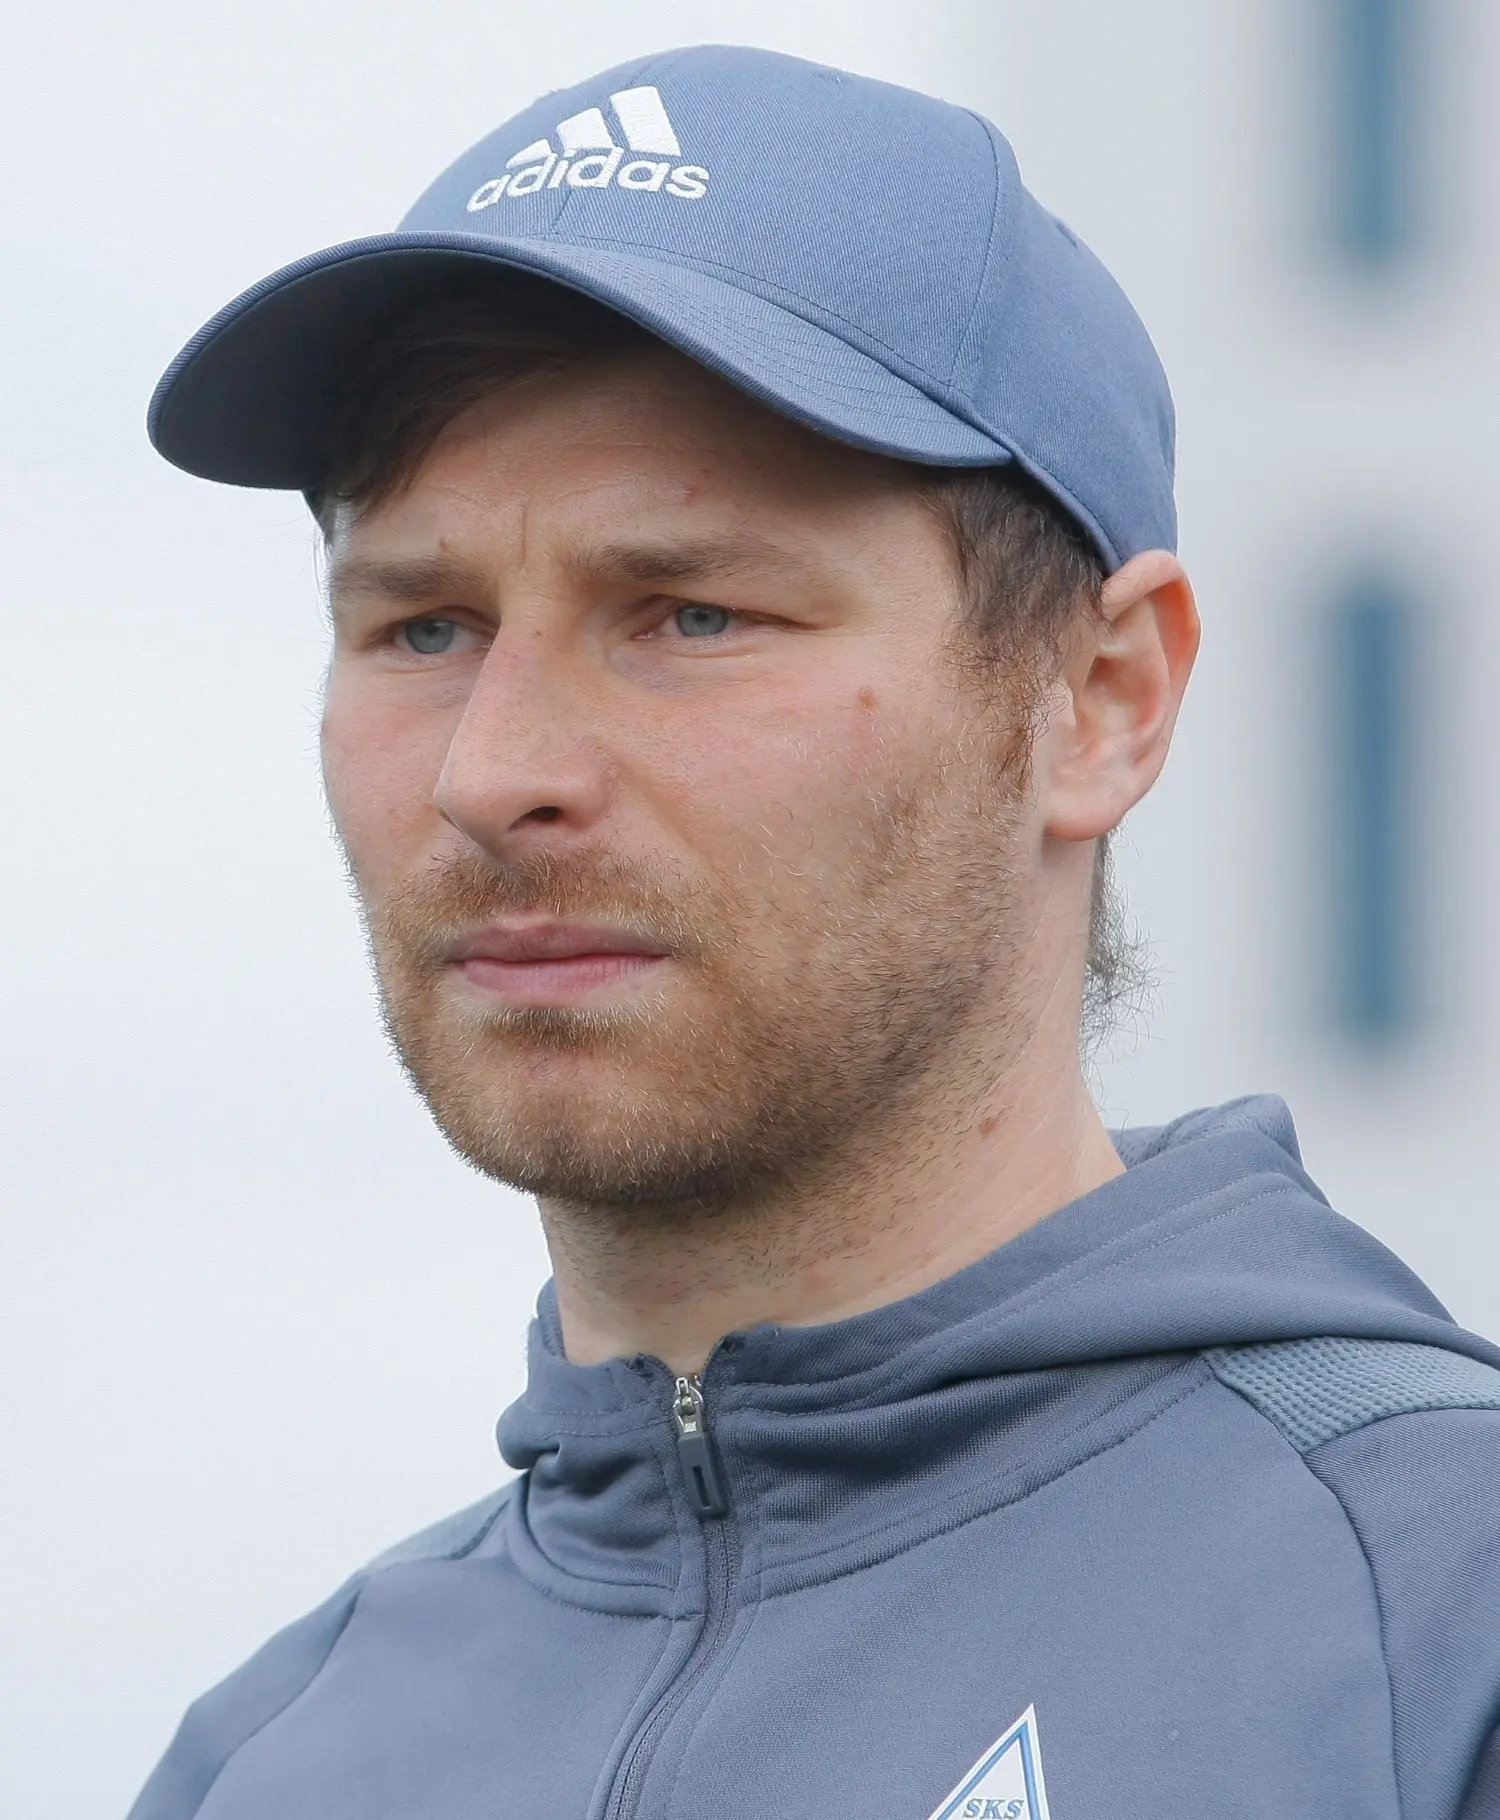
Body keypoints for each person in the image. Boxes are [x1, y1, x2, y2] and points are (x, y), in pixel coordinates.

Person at [129, 44, 1500, 1820]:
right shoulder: (272, 1761)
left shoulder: (1434, 1624)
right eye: (423, 628)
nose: (494, 773)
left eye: (691, 615)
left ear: (1101, 700)